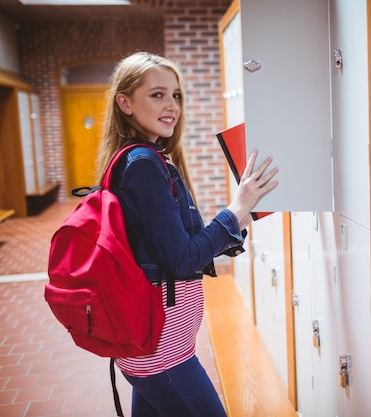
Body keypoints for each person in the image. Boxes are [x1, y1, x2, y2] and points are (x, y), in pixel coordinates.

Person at [95, 51, 278, 417]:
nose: (171, 106)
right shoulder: (144, 164)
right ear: (125, 102)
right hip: (163, 354)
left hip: (151, 349)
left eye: (176, 95)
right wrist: (236, 209)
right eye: (157, 94)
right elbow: (182, 260)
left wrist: (238, 217)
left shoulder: (141, 158)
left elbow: (176, 246)